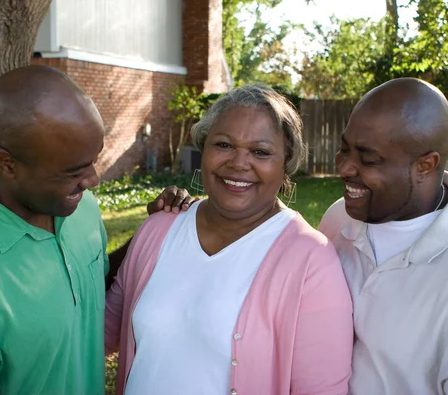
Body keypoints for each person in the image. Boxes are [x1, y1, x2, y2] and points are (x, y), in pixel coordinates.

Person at [0, 65, 191, 394]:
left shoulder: (80, 207)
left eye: (94, 160)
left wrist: (151, 234)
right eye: (74, 170)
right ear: (7, 163)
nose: (93, 179)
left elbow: (85, 291)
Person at [104, 83, 354, 395]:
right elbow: (100, 332)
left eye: (260, 152)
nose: (238, 163)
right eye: (224, 145)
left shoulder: (310, 260)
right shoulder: (159, 229)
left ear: (285, 164)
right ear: (203, 149)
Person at [319, 78, 448, 394]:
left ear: (424, 165)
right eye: (344, 148)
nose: (344, 167)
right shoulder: (338, 219)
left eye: (367, 157)